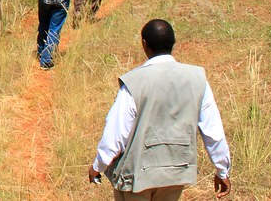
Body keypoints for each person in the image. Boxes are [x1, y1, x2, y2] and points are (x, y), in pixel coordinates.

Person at [88, 19, 232, 200]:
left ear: (144, 44)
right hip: (175, 173)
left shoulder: (134, 82)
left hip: (137, 176)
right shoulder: (197, 80)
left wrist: (97, 167)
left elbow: (115, 134)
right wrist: (222, 169)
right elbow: (213, 132)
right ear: (173, 43)